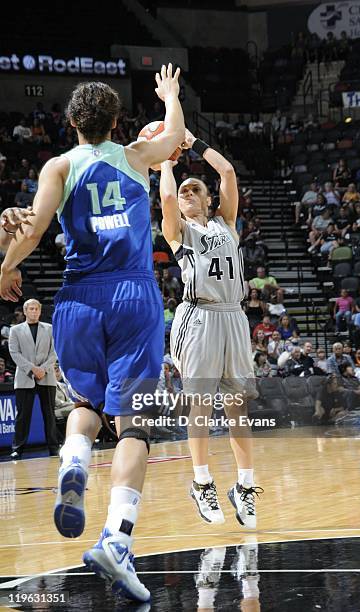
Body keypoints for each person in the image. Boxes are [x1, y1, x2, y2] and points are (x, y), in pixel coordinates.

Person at [0, 65, 185, 603]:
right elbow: (173, 134)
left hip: (78, 296)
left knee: (85, 400)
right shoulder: (135, 157)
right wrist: (170, 96)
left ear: (72, 124)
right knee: (133, 425)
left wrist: (7, 267)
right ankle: (116, 540)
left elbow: (32, 230)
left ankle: (75, 460)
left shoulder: (58, 166)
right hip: (133, 294)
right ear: (116, 121)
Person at [160, 127, 262, 530]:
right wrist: (167, 163)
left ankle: (245, 487)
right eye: (184, 191)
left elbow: (228, 172)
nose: (187, 192)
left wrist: (191, 141)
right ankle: (202, 482)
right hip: (198, 316)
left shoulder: (226, 222)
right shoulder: (179, 231)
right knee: (200, 406)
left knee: (239, 407)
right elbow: (167, 196)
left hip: (233, 316)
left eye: (195, 188)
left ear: (207, 198)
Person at [8, 299, 58, 459]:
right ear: (25, 311)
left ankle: (53, 447)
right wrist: (32, 368)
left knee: (49, 414)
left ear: (40, 311)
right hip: (24, 377)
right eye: (31, 309)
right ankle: (17, 448)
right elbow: (14, 353)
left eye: (37, 309)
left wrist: (43, 369)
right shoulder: (15, 330)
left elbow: (54, 352)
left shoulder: (50, 329)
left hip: (47, 376)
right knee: (23, 416)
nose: (34, 311)